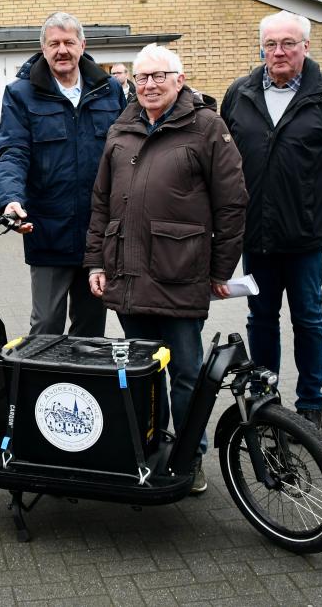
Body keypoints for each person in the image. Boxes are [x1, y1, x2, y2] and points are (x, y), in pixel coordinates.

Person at [85, 44, 247, 494]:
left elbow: (232, 204)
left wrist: (219, 269)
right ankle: (145, 451)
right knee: (140, 372)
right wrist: (96, 260)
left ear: (180, 79)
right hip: (128, 273)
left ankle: (189, 458)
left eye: (160, 76)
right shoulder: (122, 127)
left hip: (180, 273)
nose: (150, 85)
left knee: (188, 374)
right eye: (142, 78)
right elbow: (100, 201)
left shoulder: (207, 127)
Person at [219, 10, 322, 430]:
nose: (279, 52)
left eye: (288, 44)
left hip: (304, 235)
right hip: (254, 234)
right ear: (262, 48)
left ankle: (311, 403)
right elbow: (225, 158)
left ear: (305, 47)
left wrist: (310, 198)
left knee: (308, 319)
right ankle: (265, 398)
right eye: (271, 45)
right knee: (260, 318)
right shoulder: (239, 93)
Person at [0, 12, 125, 337]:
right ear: (42, 48)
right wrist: (10, 199)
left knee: (92, 327)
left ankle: (83, 389)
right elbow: (12, 152)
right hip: (48, 230)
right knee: (46, 327)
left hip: (98, 234)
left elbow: (127, 152)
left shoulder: (108, 90)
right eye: (54, 43)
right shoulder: (21, 94)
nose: (62, 50)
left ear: (82, 44)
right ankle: (44, 389)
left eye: (68, 42)